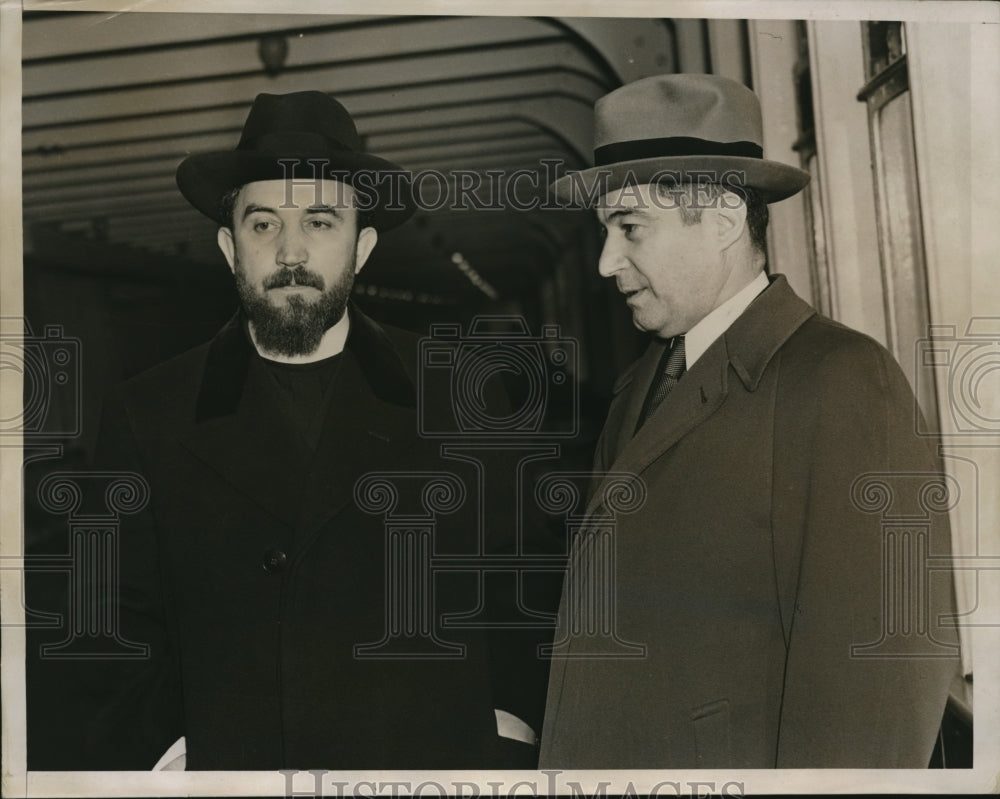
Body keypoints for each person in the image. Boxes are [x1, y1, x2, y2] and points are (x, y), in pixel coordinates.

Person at [68, 91, 549, 770]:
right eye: (263, 223)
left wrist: (509, 724)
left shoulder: (458, 394)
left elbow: (519, 582)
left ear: (363, 246)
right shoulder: (147, 412)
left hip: (421, 768)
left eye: (320, 221)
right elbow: (110, 616)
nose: (290, 251)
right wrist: (166, 756)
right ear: (230, 247)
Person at [538, 74, 959, 768]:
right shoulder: (640, 386)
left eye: (630, 227)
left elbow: (879, 684)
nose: (607, 262)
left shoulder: (842, 380)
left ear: (725, 218)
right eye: (605, 230)